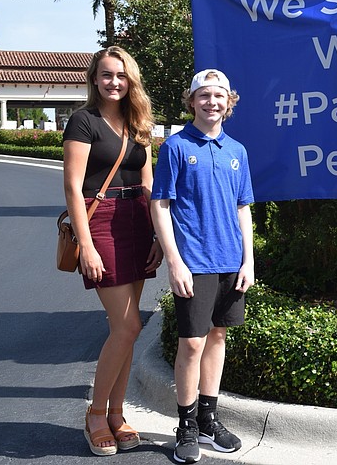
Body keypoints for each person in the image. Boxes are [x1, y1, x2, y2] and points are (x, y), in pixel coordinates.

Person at [63, 46, 163, 456]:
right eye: (107, 75)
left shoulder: (138, 123)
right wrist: (85, 244)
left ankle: (118, 414)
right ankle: (96, 413)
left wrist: (159, 235)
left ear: (131, 79)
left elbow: (150, 183)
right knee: (128, 327)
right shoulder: (83, 121)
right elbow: (72, 187)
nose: (114, 82)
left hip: (138, 220)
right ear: (95, 79)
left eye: (121, 75)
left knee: (124, 330)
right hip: (100, 222)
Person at [151, 69, 255, 464]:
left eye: (220, 96)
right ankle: (186, 425)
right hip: (194, 261)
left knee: (218, 338)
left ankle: (210, 420)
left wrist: (249, 260)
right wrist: (174, 261)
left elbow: (243, 207)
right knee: (192, 343)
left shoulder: (237, 151)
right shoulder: (175, 147)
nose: (212, 102)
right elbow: (159, 204)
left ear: (230, 103)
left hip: (232, 261)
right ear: (191, 101)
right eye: (205, 95)